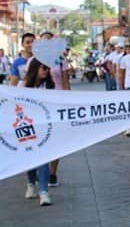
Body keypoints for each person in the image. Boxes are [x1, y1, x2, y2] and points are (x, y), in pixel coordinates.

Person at [38, 32, 71, 187]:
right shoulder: (36, 60)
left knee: (57, 139)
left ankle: (52, 173)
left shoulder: (60, 60)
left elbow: (65, 81)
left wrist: (68, 102)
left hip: (57, 104)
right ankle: (40, 170)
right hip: (40, 105)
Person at [20, 58, 54, 206]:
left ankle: (44, 192)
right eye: (43, 68)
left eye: (48, 68)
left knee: (43, 158)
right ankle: (30, 183)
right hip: (27, 128)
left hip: (44, 129)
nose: (46, 71)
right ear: (35, 69)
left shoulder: (48, 86)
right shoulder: (23, 85)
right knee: (30, 160)